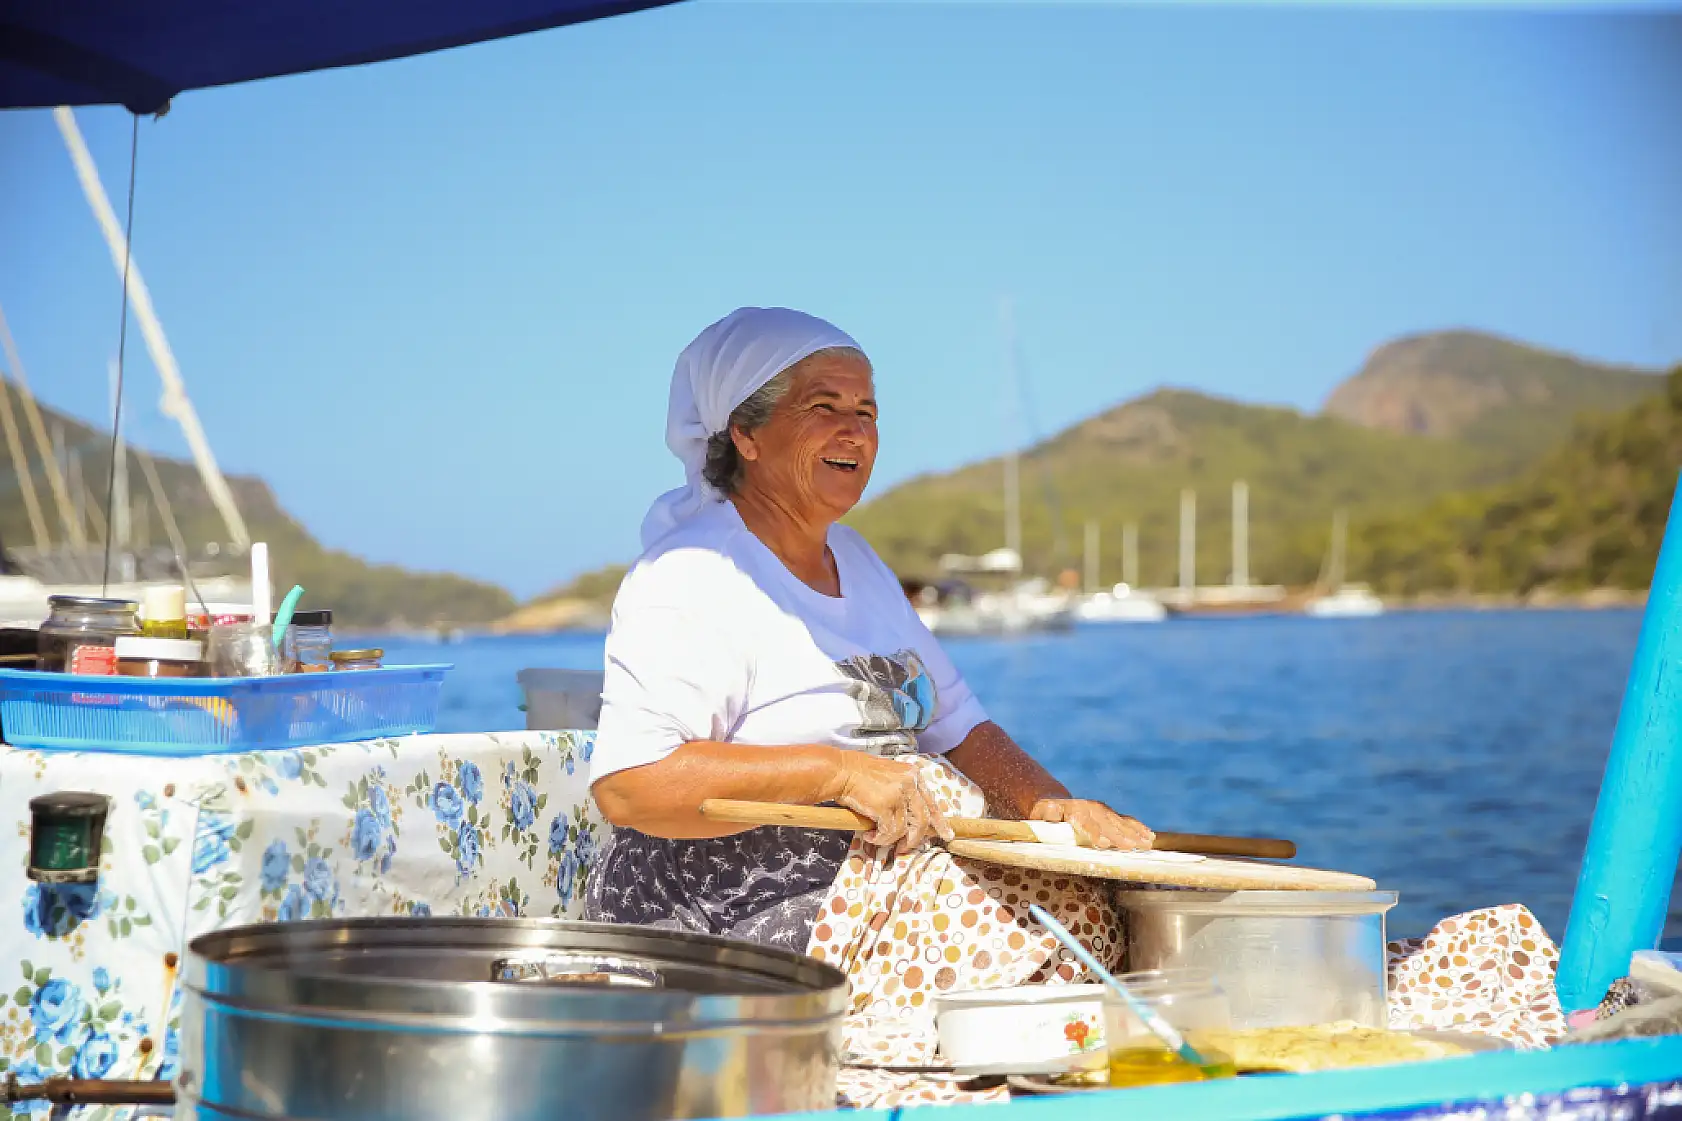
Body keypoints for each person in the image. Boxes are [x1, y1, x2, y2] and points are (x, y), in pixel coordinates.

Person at [584, 305, 1150, 965]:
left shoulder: (858, 561)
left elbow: (959, 724)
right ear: (746, 432)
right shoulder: (693, 573)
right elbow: (632, 783)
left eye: (868, 411)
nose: (854, 430)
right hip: (726, 902)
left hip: (880, 874)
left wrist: (1053, 807)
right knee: (1023, 932)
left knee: (1093, 894)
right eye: (823, 406)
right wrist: (837, 773)